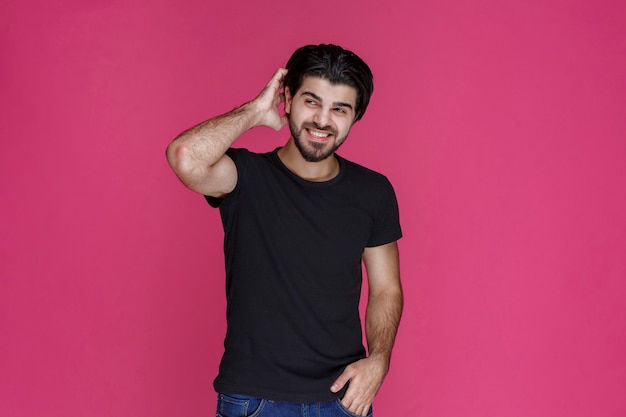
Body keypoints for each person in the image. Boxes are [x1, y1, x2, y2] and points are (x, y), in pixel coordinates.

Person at [166, 44, 402, 417]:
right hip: (253, 400)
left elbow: (386, 288)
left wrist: (380, 360)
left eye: (340, 109)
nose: (322, 120)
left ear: (356, 116)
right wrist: (255, 112)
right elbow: (184, 157)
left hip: (343, 399)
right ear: (287, 98)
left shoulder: (373, 192)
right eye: (311, 101)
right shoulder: (244, 177)